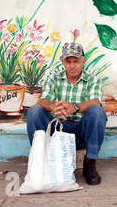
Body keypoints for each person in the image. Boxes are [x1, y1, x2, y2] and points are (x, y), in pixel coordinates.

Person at [26, 42, 107, 185]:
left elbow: (96, 101)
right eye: (68, 61)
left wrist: (74, 107)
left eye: (76, 61)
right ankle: (40, 161)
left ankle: (90, 164)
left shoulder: (92, 80)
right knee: (34, 111)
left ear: (83, 62)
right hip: (58, 129)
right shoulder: (54, 78)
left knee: (97, 111)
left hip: (81, 130)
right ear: (63, 62)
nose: (72, 65)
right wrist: (52, 106)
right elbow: (43, 100)